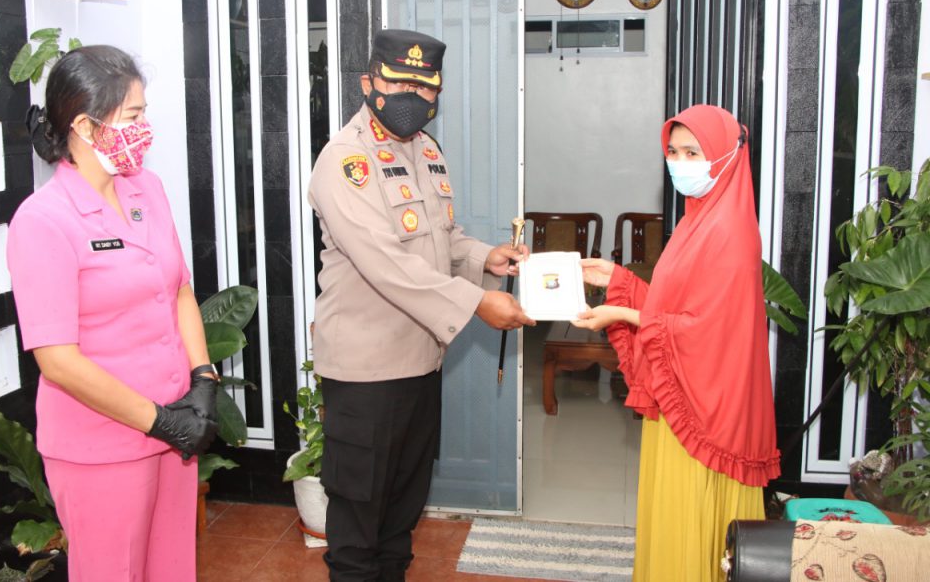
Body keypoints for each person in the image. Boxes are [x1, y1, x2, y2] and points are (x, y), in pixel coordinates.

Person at [308, 29, 534, 581]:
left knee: (400, 515)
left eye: (425, 86)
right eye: (398, 83)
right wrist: (477, 302)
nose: (412, 96)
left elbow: (442, 239)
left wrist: (485, 258)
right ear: (369, 83)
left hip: (420, 361)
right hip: (366, 370)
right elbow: (386, 263)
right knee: (359, 522)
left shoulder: (426, 151)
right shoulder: (345, 161)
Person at [6, 46, 219, 581]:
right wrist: (159, 420)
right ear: (84, 125)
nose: (144, 129)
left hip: (175, 431)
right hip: (101, 446)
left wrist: (202, 379)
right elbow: (57, 361)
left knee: (172, 569)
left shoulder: (147, 188)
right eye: (133, 116)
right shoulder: (43, 221)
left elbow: (179, 289)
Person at [572, 104, 780, 582]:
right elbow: (676, 307)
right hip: (685, 397)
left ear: (726, 156)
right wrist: (618, 279)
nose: (680, 163)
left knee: (692, 522)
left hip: (708, 411)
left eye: (693, 152)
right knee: (673, 519)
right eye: (673, 151)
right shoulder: (696, 219)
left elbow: (705, 330)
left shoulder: (730, 232)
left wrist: (621, 313)